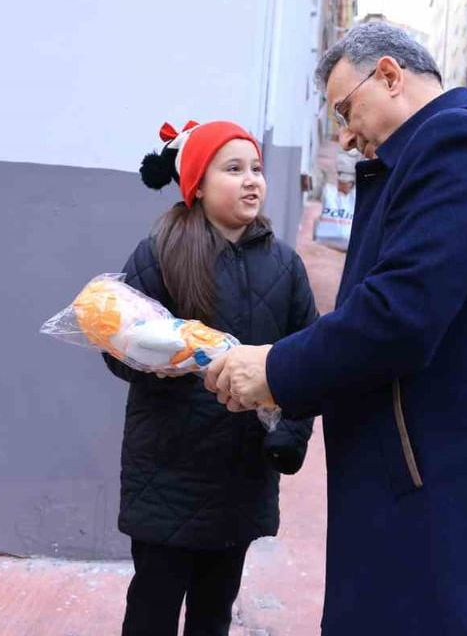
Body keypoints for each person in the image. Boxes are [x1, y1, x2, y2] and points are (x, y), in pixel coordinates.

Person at [206, 21, 467, 634]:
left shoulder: (459, 146)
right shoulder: (434, 154)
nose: (346, 134)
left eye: (346, 109)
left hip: (456, 506)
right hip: (431, 493)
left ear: (388, 74)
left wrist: (275, 370)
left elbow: (397, 316)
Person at [103, 119, 317, 636]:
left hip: (241, 473)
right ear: (197, 185)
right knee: (152, 608)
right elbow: (117, 352)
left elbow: (308, 360)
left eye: (257, 169)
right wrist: (168, 354)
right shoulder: (160, 254)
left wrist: (288, 437)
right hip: (168, 469)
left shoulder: (285, 267)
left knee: (213, 612)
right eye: (234, 168)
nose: (252, 180)